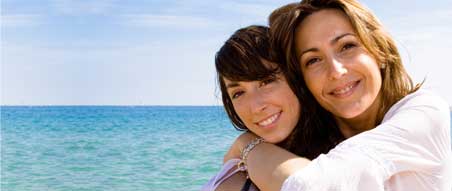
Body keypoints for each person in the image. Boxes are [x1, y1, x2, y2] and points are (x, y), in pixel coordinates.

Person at [224, 0, 452, 190]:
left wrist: (246, 143)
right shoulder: (311, 147)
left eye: (347, 46)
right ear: (303, 80)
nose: (336, 71)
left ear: (379, 51)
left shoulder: (424, 113)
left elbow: (309, 186)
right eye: (313, 60)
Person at [202, 25, 344, 190]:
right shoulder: (236, 175)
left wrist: (246, 144)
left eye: (266, 81)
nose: (255, 107)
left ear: (295, 77)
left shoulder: (352, 148)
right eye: (238, 93)